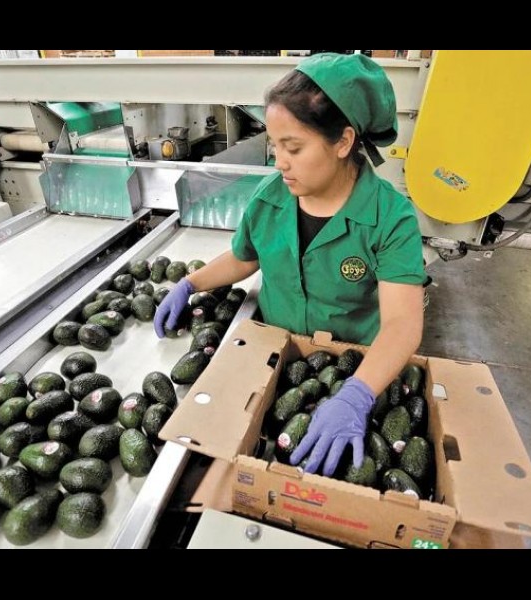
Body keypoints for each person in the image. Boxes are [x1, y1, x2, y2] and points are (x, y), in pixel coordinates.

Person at [154, 53, 426, 477]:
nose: (280, 161)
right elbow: (244, 258)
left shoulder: (391, 218)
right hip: (275, 356)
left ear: (343, 142)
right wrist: (190, 284)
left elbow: (402, 324)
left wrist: (356, 395)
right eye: (275, 145)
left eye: (293, 147)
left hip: (352, 366)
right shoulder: (269, 197)